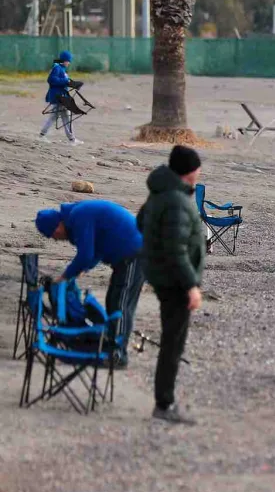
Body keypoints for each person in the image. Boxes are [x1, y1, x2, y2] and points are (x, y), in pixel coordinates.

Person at [137, 145, 206, 425]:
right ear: (189, 172)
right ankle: (164, 404)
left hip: (164, 278)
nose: (200, 172)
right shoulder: (175, 200)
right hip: (175, 283)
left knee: (172, 340)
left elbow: (141, 223)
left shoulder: (160, 193)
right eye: (197, 168)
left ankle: (165, 402)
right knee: (173, 344)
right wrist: (191, 285)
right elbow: (176, 250)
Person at [34, 200, 144, 365]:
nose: (57, 239)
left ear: (56, 227)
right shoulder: (76, 216)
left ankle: (117, 353)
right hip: (126, 256)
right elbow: (96, 249)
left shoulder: (79, 216)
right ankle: (111, 344)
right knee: (113, 301)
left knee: (121, 305)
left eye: (53, 236)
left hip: (135, 254)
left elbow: (85, 254)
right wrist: (81, 270)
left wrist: (65, 276)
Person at [38, 51, 81, 145]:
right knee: (66, 117)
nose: (69, 63)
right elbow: (51, 80)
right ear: (65, 60)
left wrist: (72, 83)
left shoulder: (61, 68)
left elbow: (62, 81)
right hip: (58, 97)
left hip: (61, 96)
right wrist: (66, 81)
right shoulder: (57, 68)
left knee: (56, 117)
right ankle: (71, 140)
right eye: (68, 61)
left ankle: (42, 135)